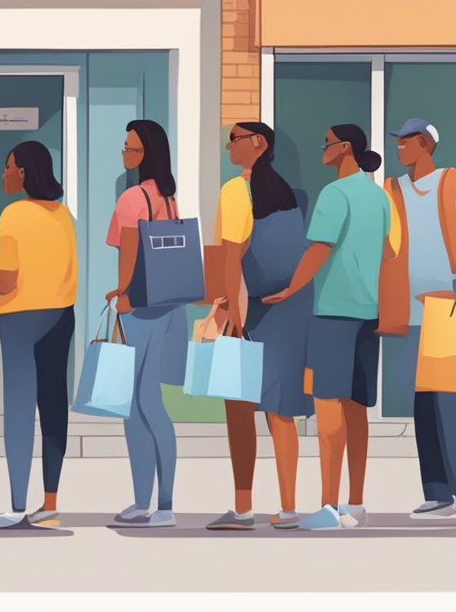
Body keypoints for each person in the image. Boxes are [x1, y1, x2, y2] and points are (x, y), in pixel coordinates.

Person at [265, 124, 391, 531]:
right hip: (370, 311)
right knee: (357, 407)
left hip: (334, 310)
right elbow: (388, 251)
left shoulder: (334, 194)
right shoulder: (377, 195)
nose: (323, 148)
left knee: (328, 406)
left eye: (328, 142)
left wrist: (289, 290)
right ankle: (355, 503)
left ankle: (328, 506)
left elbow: (319, 248)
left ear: (346, 148)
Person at [378, 118, 456, 520]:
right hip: (410, 312)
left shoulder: (453, 182)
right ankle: (438, 492)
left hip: (452, 307)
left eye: (406, 142)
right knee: (424, 404)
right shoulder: (392, 188)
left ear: (425, 144)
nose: (399, 149)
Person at [206, 122, 313, 531]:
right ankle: (288, 509)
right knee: (281, 411)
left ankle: (242, 508)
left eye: (233, 140)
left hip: (246, 309)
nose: (227, 147)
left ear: (257, 143)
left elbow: (232, 256)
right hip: (290, 308)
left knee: (238, 408)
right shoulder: (293, 196)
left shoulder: (235, 191)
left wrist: (232, 312)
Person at [0, 141, 78, 529]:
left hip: (19, 319)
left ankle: (17, 506)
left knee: (18, 410)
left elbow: (6, 281)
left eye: (8, 167)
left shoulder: (13, 214)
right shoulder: (63, 214)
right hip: (61, 316)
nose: (2, 174)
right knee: (53, 406)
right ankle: (49, 503)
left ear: (24, 173)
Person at [106, 120, 188, 529]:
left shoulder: (132, 198)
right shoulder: (168, 199)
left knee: (139, 406)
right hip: (170, 307)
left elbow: (128, 251)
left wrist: (121, 294)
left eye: (130, 149)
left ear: (146, 155)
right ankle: (158, 502)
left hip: (138, 309)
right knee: (147, 401)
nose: (124, 155)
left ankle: (152, 503)